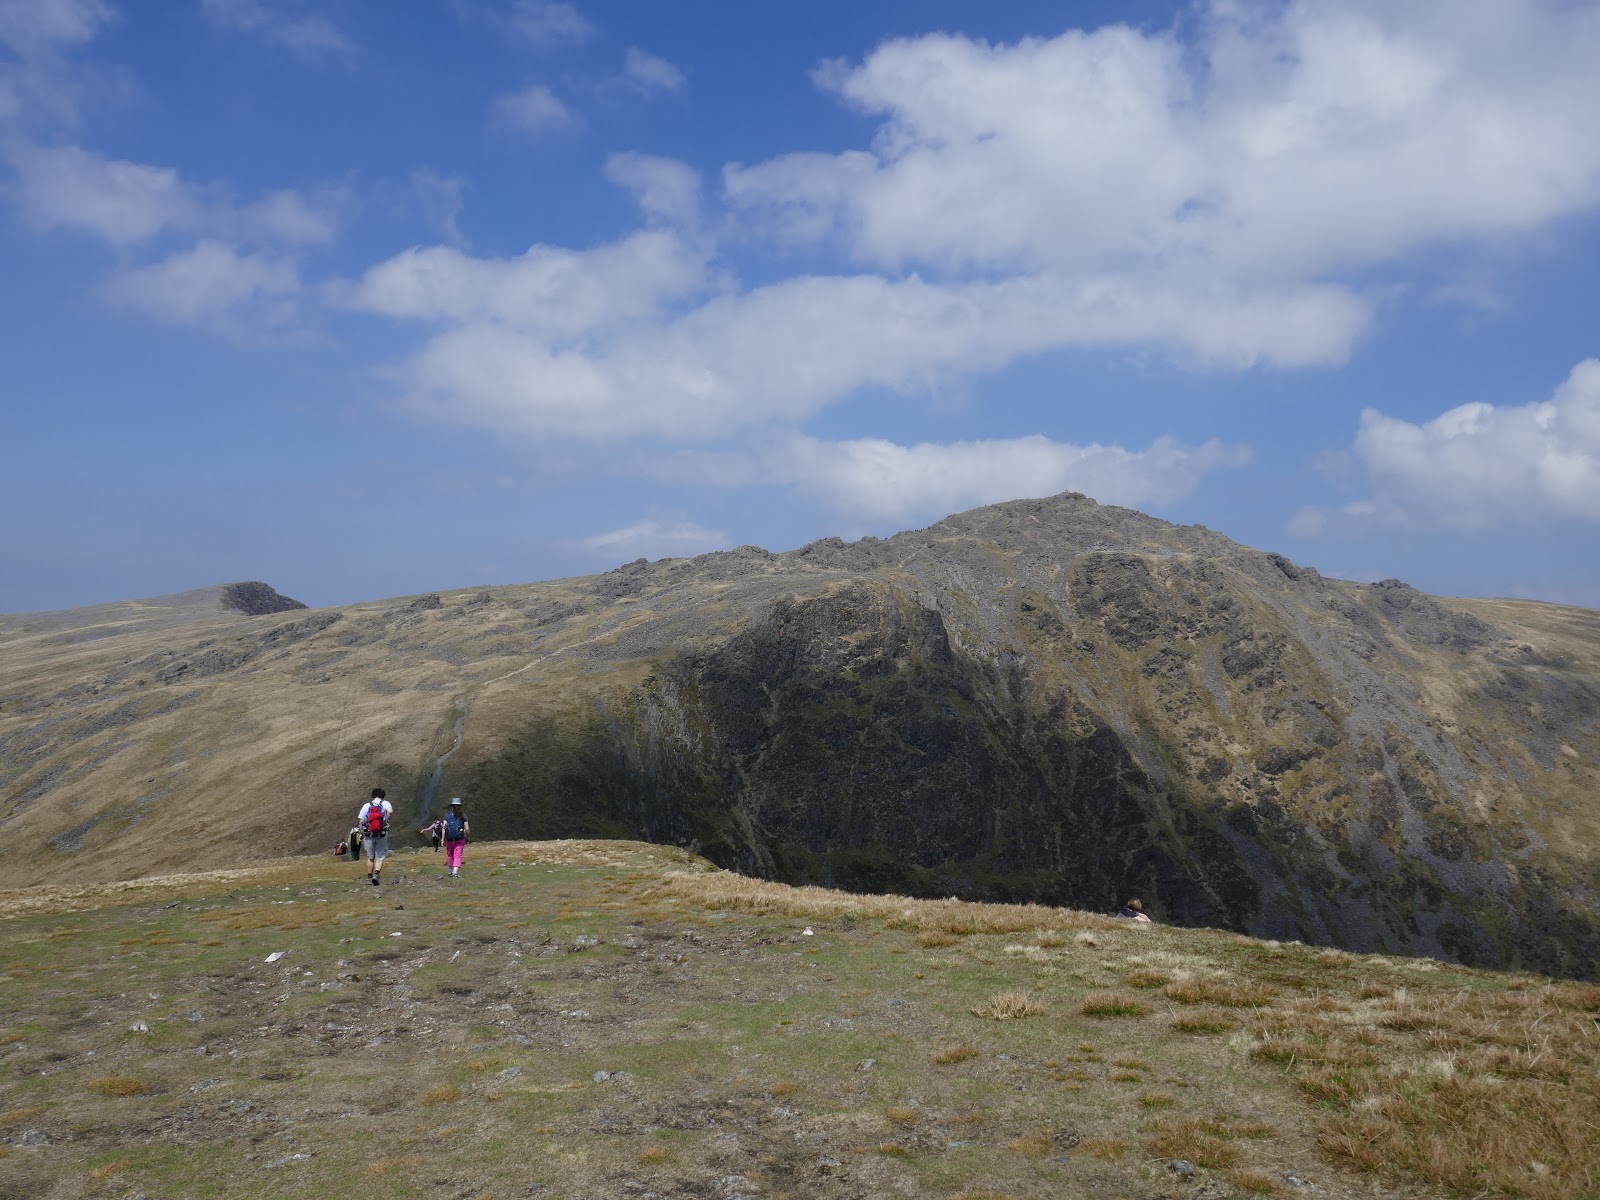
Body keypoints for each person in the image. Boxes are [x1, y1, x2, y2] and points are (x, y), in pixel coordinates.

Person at [358, 787, 393, 886]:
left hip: (369, 834)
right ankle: (376, 874)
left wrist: (361, 833)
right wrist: (386, 821)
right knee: (380, 856)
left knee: (370, 857)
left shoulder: (366, 805)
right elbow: (390, 811)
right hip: (381, 833)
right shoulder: (385, 803)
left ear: (373, 796)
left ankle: (369, 877)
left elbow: (361, 821)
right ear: (383, 796)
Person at [441, 797, 470, 878]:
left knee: (450, 854)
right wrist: (467, 837)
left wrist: (442, 839)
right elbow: (467, 829)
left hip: (449, 839)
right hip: (460, 839)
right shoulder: (463, 816)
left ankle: (450, 870)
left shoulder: (447, 815)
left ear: (452, 806)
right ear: (460, 806)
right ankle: (455, 872)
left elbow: (444, 828)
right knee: (458, 855)